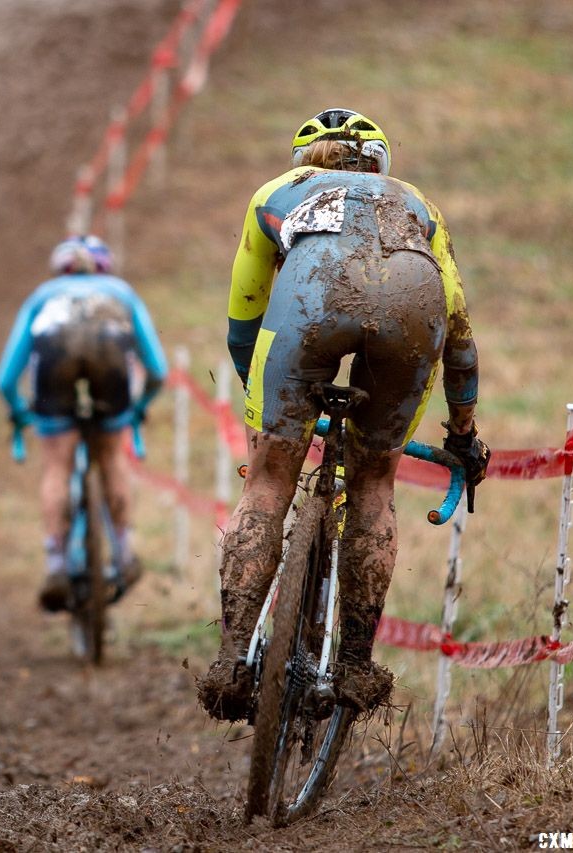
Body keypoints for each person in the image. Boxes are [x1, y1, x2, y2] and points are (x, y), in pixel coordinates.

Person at [197, 108, 490, 720]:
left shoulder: (274, 194)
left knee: (271, 478)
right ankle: (356, 664)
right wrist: (463, 433)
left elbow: (244, 321)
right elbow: (459, 331)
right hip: (414, 299)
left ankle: (229, 661)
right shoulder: (418, 203)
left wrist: (271, 416)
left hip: (312, 293)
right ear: (380, 162)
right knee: (375, 481)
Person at [0, 235, 168, 611]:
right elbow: (157, 369)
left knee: (57, 464)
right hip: (110, 357)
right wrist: (139, 407)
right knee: (111, 459)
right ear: (104, 267)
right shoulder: (121, 292)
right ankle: (123, 553)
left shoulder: (44, 296)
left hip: (55, 359)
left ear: (61, 269)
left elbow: (5, 379)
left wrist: (21, 411)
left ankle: (56, 563)